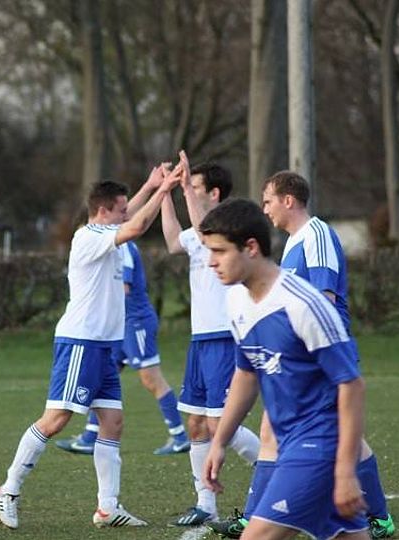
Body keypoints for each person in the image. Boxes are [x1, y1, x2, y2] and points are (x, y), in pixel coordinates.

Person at [0, 164, 182, 530]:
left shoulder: (107, 229)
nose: (127, 212)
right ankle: (8, 489)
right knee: (56, 420)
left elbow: (129, 217)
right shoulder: (89, 236)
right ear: (104, 210)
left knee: (112, 422)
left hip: (105, 347)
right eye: (121, 208)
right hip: (81, 342)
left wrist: (150, 185)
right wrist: (164, 192)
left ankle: (107, 508)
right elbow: (137, 225)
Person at [210, 171, 396, 539]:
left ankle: (376, 513)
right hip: (298, 414)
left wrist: (344, 471)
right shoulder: (242, 295)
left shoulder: (315, 238)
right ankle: (373, 513)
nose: (266, 209)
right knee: (277, 430)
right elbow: (246, 373)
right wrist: (219, 441)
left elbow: (324, 301)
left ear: (288, 200)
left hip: (319, 403)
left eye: (268, 201)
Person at [160, 152, 261, 526]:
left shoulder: (229, 226)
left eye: (196, 186)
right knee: (197, 425)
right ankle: (206, 505)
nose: (190, 190)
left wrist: (184, 188)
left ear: (214, 193)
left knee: (222, 426)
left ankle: (277, 469)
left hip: (224, 338)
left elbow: (204, 230)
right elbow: (173, 241)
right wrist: (165, 193)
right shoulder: (197, 232)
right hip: (200, 341)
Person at [54, 236, 191, 456]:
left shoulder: (123, 246)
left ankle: (180, 437)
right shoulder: (110, 243)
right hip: (118, 324)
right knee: (103, 376)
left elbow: (123, 287)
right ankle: (90, 438)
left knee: (151, 379)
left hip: (135, 323)